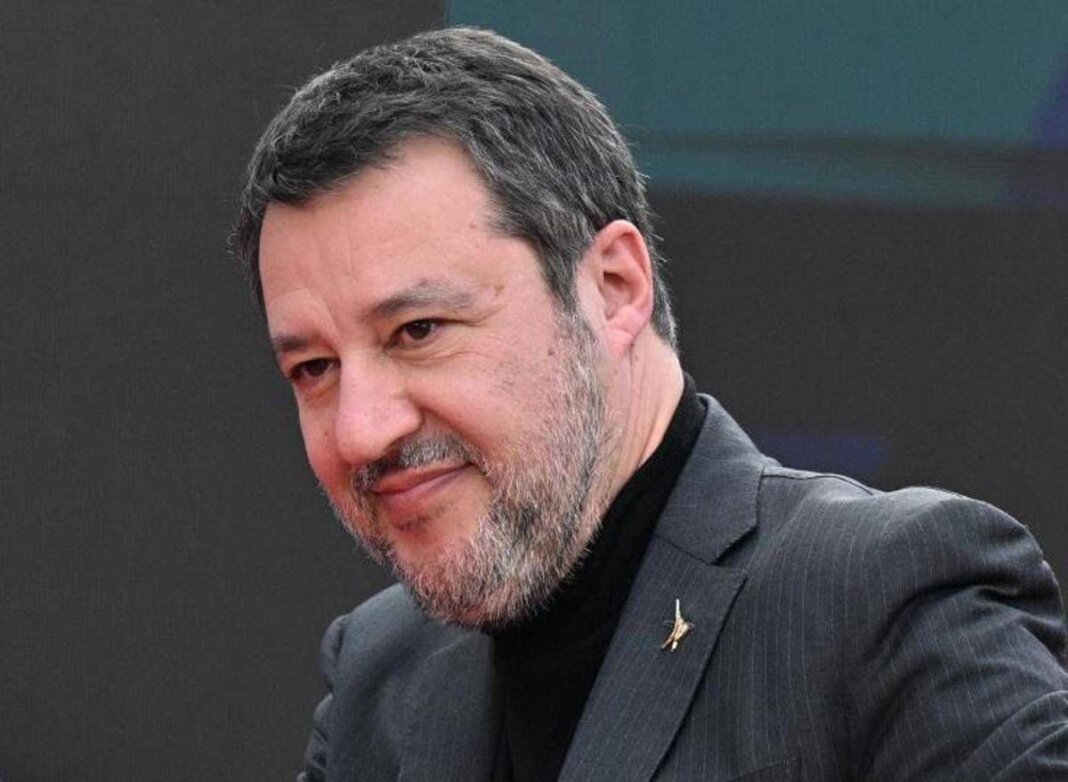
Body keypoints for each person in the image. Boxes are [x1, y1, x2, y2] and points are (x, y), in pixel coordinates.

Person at [234, 27, 1068, 781]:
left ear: (613, 287)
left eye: (418, 330)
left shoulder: (882, 597)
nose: (361, 430)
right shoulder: (379, 676)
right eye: (313, 368)